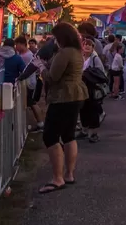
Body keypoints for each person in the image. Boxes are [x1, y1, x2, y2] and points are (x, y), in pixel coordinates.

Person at [38, 23, 88, 194]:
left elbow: (53, 77)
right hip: (77, 95)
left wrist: (41, 68)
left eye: (55, 38)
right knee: (68, 135)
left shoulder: (65, 53)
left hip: (63, 97)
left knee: (50, 136)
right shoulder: (77, 52)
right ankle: (69, 174)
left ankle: (57, 178)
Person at [80, 34, 105, 143]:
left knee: (93, 111)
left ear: (92, 48)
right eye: (85, 45)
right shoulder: (80, 58)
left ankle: (93, 133)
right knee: (83, 109)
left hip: (92, 88)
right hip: (82, 88)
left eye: (89, 46)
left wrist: (89, 74)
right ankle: (84, 130)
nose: (86, 47)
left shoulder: (95, 59)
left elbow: (101, 73)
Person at [15, 36, 44, 131]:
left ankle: (40, 123)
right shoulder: (23, 54)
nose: (16, 47)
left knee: (30, 102)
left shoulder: (27, 56)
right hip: (26, 82)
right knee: (28, 103)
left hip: (29, 83)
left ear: (23, 44)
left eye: (17, 45)